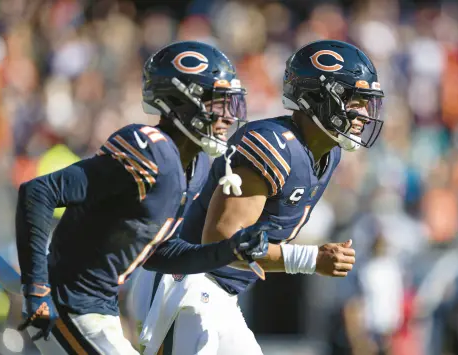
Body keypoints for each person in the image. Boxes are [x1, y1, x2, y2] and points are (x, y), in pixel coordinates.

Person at [15, 41, 272, 355]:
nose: (229, 117)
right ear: (180, 101)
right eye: (218, 104)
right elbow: (39, 191)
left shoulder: (197, 165)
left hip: (99, 304)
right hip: (68, 300)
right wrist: (36, 287)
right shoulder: (149, 150)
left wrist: (227, 251)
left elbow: (158, 253)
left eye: (230, 104)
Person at [135, 39, 385, 355]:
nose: (363, 113)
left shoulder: (329, 154)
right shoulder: (271, 145)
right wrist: (310, 259)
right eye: (354, 100)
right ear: (319, 97)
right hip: (188, 286)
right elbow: (222, 240)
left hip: (219, 293)